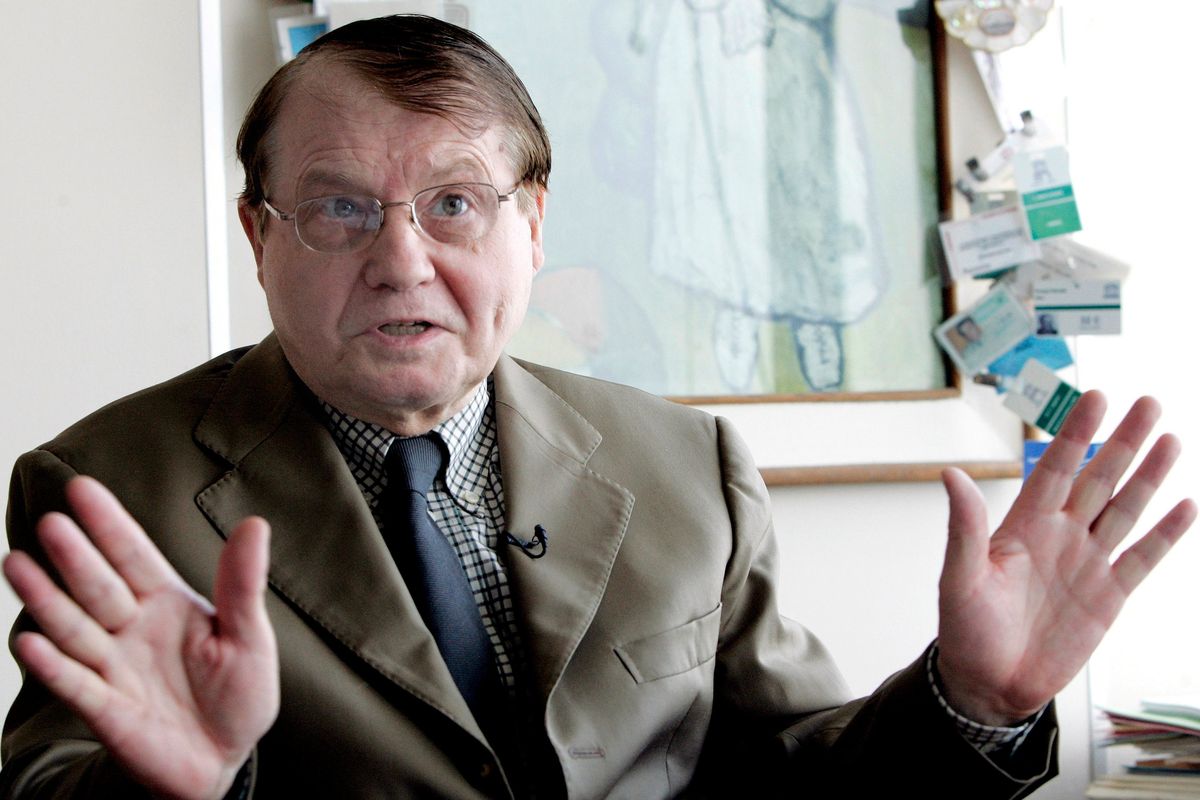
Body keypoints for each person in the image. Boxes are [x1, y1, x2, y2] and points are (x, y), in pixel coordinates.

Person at [1, 14, 1194, 800]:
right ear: (261, 236)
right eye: (339, 209)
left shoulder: (685, 463)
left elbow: (791, 777)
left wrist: (971, 701)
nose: (403, 260)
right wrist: (176, 790)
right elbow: (56, 778)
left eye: (455, 204)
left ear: (533, 224)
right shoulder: (110, 486)